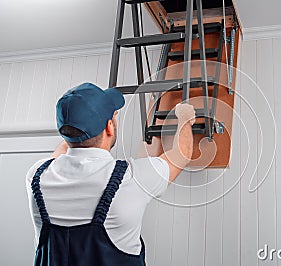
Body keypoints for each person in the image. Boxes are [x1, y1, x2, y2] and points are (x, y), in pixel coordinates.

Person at [25, 82, 195, 266]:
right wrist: (185, 117)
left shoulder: (37, 176)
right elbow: (182, 153)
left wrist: (79, 121)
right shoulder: (131, 178)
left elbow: (63, 148)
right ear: (109, 127)